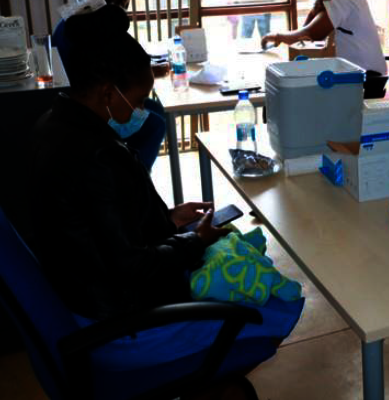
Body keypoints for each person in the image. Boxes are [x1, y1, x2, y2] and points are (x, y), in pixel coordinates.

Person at [17, 31, 301, 397]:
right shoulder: (99, 157)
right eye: (138, 100)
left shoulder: (52, 124)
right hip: (121, 327)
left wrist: (166, 219)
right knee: (273, 307)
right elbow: (132, 267)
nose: (141, 110)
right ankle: (198, 382)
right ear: (107, 93)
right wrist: (194, 240)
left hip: (84, 301)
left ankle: (199, 378)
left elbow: (94, 227)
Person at [53, 0, 167, 170]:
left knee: (155, 109)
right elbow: (102, 71)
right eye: (121, 5)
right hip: (90, 102)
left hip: (85, 100)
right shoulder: (78, 32)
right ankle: (136, 173)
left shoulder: (76, 24)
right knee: (155, 124)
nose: (122, 11)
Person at [261, 0, 388, 98]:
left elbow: (310, 35)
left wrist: (277, 36)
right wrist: (314, 11)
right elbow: (306, 33)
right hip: (364, 74)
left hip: (366, 79)